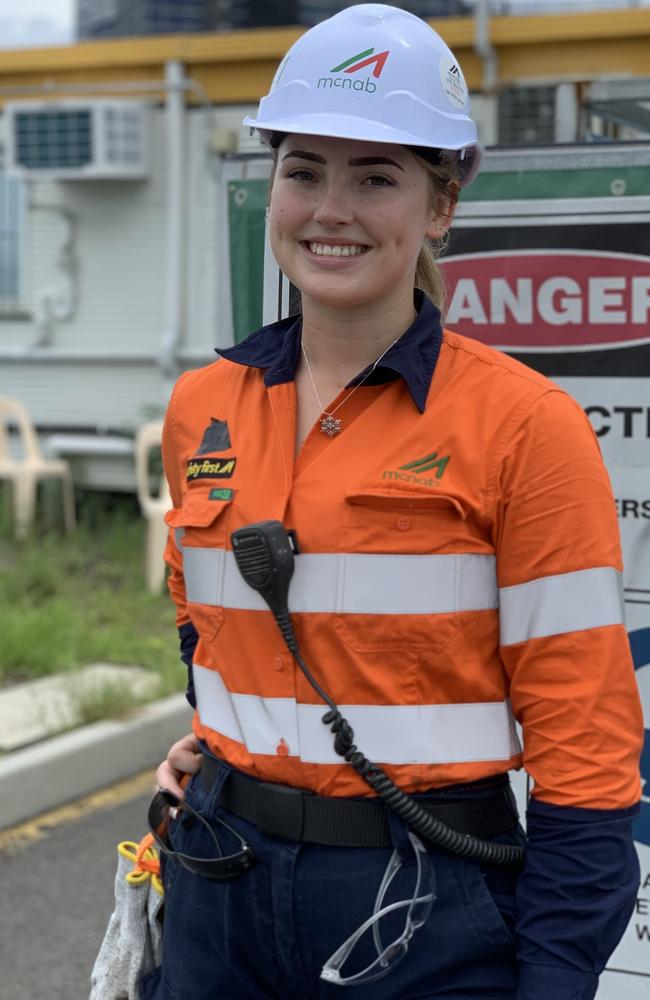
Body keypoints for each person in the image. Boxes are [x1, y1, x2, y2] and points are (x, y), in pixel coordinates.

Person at [147, 5, 643, 999]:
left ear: (440, 207)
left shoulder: (521, 425)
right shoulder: (203, 407)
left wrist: (551, 977)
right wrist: (218, 744)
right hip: (217, 879)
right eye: (303, 170)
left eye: (375, 177)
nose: (331, 208)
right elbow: (205, 629)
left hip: (429, 901)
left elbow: (584, 750)